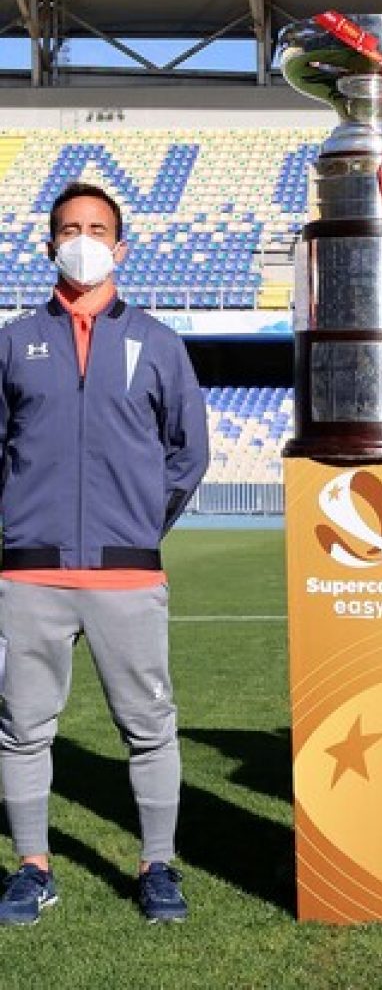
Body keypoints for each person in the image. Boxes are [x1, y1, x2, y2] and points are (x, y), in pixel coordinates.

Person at [0, 182, 209, 925]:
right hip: (30, 574)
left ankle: (158, 865)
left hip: (127, 575)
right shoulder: (15, 340)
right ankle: (32, 866)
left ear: (121, 246)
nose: (82, 238)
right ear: (48, 243)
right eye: (69, 228)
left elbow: (189, 455)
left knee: (150, 726)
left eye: (96, 228)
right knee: (23, 728)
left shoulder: (157, 343)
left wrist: (137, 530)